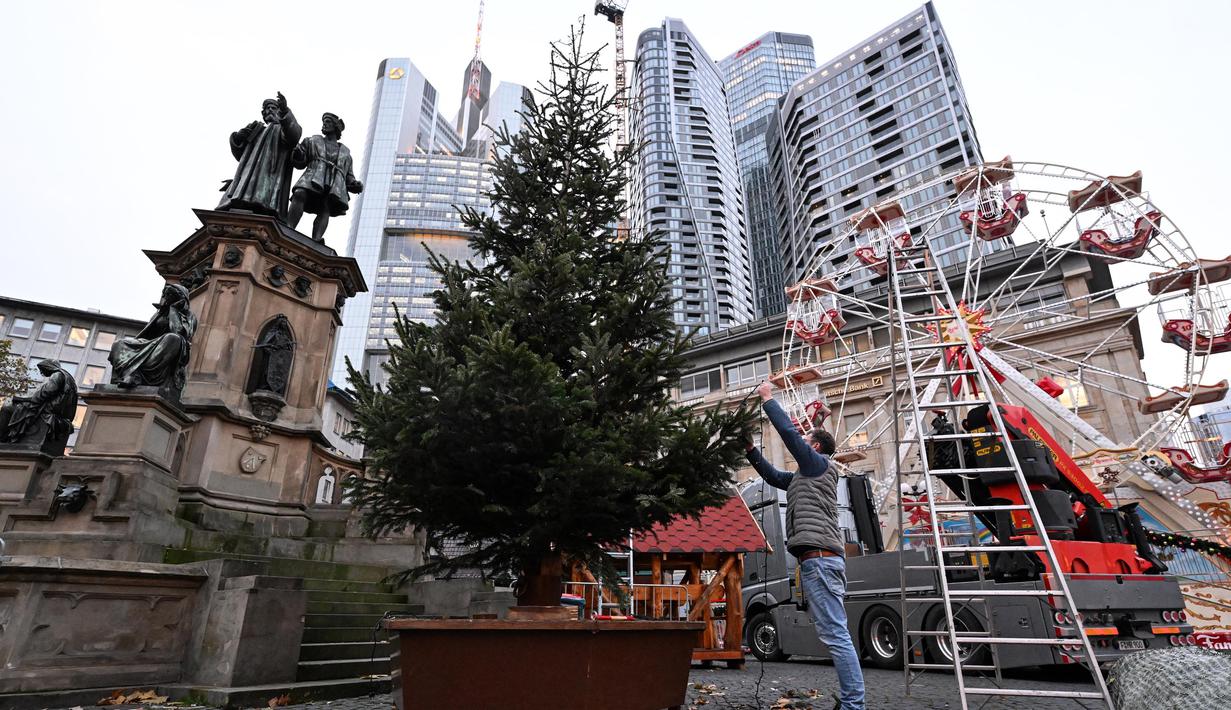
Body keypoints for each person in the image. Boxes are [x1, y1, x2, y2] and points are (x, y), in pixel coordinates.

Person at [747, 380, 865, 710]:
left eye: (808, 442)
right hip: (817, 561)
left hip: (821, 560)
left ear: (814, 449)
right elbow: (772, 476)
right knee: (834, 634)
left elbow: (789, 436)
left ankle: (855, 705)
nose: (803, 446)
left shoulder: (818, 465)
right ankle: (853, 702)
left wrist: (769, 399)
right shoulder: (804, 476)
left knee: (836, 635)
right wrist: (750, 451)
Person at [217, 92, 303, 220]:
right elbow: (240, 155)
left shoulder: (282, 129)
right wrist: (238, 138)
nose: (269, 110)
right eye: (267, 108)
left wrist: (285, 110)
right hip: (248, 173)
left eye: (273, 108)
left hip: (270, 174)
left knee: (262, 197)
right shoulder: (257, 129)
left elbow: (293, 136)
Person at [109, 284, 198, 395]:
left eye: (169, 294)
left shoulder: (189, 316)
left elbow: (178, 331)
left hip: (167, 344)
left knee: (173, 338)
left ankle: (137, 373)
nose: (165, 297)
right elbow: (147, 334)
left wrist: (173, 310)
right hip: (150, 343)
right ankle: (131, 373)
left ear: (179, 298)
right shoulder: (159, 314)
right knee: (119, 343)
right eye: (165, 294)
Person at [287, 112, 363, 242]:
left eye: (328, 122)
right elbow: (301, 160)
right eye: (324, 122)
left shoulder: (346, 154)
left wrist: (355, 184)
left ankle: (317, 238)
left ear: (336, 127)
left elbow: (348, 175)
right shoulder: (312, 141)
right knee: (300, 194)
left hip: (334, 183)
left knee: (325, 206)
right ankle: (289, 227)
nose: (324, 124)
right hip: (313, 176)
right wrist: (298, 154)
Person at [0, 358, 78, 455]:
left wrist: (28, 399)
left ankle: (3, 438)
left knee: (7, 407)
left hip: (47, 407)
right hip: (53, 407)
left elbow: (47, 391)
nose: (41, 373)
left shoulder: (57, 374)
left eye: (42, 370)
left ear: (48, 367)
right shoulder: (69, 378)